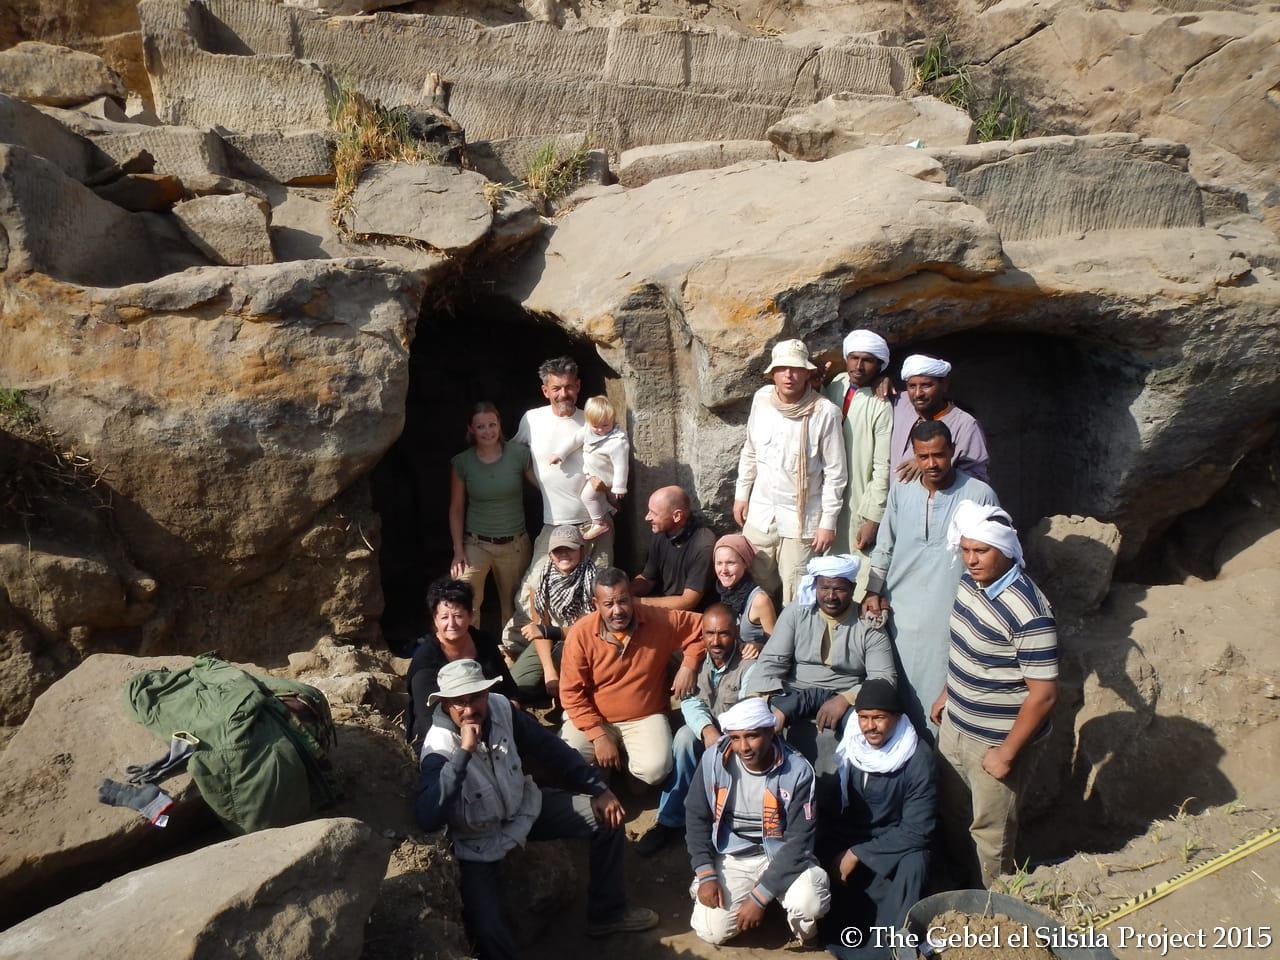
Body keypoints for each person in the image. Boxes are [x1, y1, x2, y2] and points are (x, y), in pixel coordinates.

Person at [415, 659, 659, 958]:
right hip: (478, 840)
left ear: (486, 693)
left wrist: (599, 788)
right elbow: (428, 815)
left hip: (524, 809)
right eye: (459, 702)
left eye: (475, 697)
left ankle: (607, 913)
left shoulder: (502, 708)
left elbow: (550, 748)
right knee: (489, 929)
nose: (469, 709)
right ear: (445, 704)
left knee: (607, 819)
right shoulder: (438, 746)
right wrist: (464, 753)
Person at [930, 501, 1058, 888]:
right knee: (953, 813)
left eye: (981, 551)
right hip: (955, 726)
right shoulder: (971, 583)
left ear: (1005, 550)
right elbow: (966, 646)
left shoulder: (1029, 611)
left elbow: (1044, 695)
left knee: (991, 835)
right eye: (966, 550)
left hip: (996, 742)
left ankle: (992, 909)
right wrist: (947, 692)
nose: (971, 559)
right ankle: (957, 886)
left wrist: (1006, 754)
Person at [862, 420, 999, 739]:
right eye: (923, 457)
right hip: (902, 617)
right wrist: (872, 590)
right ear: (914, 455)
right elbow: (886, 544)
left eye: (939, 455)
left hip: (954, 618)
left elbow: (996, 557)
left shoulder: (979, 495)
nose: (932, 464)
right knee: (903, 697)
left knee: (946, 702)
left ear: (952, 451)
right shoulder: (902, 489)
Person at [685, 697, 831, 945]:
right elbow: (696, 815)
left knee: (808, 903)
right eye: (735, 738)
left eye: (752, 736)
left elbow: (799, 843)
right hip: (734, 855)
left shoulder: (797, 771)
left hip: (780, 853)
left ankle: (806, 935)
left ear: (769, 732)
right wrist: (706, 872)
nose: (744, 747)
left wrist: (760, 897)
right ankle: (709, 883)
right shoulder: (713, 760)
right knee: (712, 932)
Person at [505, 356, 613, 652]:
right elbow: (514, 458)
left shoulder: (593, 418)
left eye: (569, 387)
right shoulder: (532, 419)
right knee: (532, 590)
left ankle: (595, 654)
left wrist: (609, 486)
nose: (563, 394)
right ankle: (515, 648)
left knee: (600, 594)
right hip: (554, 524)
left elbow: (617, 456)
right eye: (556, 388)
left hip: (596, 524)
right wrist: (537, 481)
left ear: (578, 386)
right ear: (545, 390)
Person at [559, 568, 704, 786]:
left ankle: (627, 767)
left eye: (623, 601)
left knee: (655, 770)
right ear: (595, 604)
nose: (618, 611)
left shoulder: (659, 619)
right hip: (594, 716)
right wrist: (597, 735)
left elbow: (707, 627)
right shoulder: (580, 634)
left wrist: (689, 664)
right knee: (567, 759)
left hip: (644, 716)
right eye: (609, 604)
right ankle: (605, 763)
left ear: (632, 598)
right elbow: (570, 692)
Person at [820, 679, 935, 951]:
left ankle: (894, 948)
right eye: (864, 718)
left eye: (879, 718)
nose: (870, 726)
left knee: (915, 862)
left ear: (896, 717)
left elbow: (918, 830)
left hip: (893, 844)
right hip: (849, 832)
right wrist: (782, 710)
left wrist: (858, 853)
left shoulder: (917, 757)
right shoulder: (854, 740)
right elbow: (816, 697)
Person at [751, 555, 896, 771]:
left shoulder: (868, 624)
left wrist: (846, 698)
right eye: (824, 588)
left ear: (853, 588)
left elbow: (885, 678)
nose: (830, 596)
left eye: (839, 589)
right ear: (815, 586)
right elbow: (771, 661)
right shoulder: (797, 612)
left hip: (845, 696)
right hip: (795, 692)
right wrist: (756, 704)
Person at [734, 338, 847, 605]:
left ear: (807, 372)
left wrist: (827, 523)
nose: (789, 375)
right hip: (761, 512)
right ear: (772, 372)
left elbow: (835, 473)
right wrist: (741, 494)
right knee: (755, 585)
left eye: (796, 369)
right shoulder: (761, 399)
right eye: (783, 368)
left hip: (802, 519)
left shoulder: (825, 412)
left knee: (797, 594)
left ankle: (795, 645)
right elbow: (750, 449)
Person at [636, 603, 754, 857]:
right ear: (701, 635)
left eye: (723, 633)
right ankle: (669, 820)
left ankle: (726, 826)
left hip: (738, 736)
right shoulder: (695, 659)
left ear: (736, 631)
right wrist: (707, 729)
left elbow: (747, 711)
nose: (716, 641)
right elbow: (690, 700)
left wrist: (724, 737)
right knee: (684, 739)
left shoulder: (749, 664)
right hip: (708, 731)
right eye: (709, 634)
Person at [448, 402, 534, 630]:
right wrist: (458, 551)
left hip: (514, 544)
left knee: (516, 607)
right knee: (463, 598)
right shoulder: (463, 462)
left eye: (492, 425)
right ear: (471, 429)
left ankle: (510, 659)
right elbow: (456, 508)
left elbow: (546, 487)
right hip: (476, 543)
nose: (488, 431)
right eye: (481, 426)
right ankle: (469, 657)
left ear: (499, 425)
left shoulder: (518, 455)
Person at [406, 578, 519, 748]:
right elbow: (428, 718)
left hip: (491, 720)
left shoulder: (484, 642)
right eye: (444, 617)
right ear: (435, 620)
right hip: (444, 734)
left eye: (458, 616)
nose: (451, 624)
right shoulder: (426, 662)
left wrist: (510, 711)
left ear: (471, 616)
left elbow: (509, 689)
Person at [823, 330, 893, 600]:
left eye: (868, 360)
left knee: (857, 577)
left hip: (859, 503)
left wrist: (873, 518)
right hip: (828, 498)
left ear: (880, 366)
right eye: (854, 358)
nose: (859, 366)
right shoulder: (836, 385)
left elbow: (882, 468)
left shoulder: (881, 404)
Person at [509, 524, 598, 703]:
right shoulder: (540, 577)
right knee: (517, 683)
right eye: (558, 550)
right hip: (547, 637)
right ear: (550, 554)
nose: (564, 554)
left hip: (581, 640)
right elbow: (541, 623)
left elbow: (585, 631)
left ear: (581, 550)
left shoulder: (594, 579)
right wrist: (549, 671)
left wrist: (548, 633)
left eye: (569, 549)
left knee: (572, 677)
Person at [889, 354, 990, 485]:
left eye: (926, 385)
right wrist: (880, 381)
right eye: (912, 386)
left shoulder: (965, 425)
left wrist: (928, 464)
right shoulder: (900, 403)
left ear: (944, 385)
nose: (918, 393)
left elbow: (977, 479)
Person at [550, 395, 630, 541]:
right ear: (588, 421)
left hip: (605, 475)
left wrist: (619, 486)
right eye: (596, 426)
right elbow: (573, 441)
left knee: (587, 496)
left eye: (605, 425)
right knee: (609, 497)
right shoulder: (587, 430)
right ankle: (614, 503)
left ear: (612, 419)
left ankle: (598, 523)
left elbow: (621, 465)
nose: (600, 430)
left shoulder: (617, 441)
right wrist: (560, 454)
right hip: (592, 471)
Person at [631, 486, 716, 611]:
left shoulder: (703, 545)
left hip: (692, 616)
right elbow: (648, 579)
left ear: (677, 516)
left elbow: (688, 602)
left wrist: (636, 602)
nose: (647, 517)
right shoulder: (662, 533)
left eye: (654, 513)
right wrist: (622, 592)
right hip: (664, 607)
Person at [711, 533, 776, 655]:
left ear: (745, 564)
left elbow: (776, 644)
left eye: (730, 563)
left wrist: (759, 647)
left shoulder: (759, 600)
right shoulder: (717, 592)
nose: (723, 570)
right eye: (719, 563)